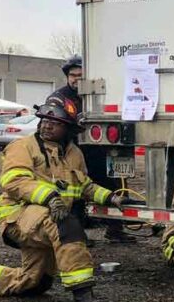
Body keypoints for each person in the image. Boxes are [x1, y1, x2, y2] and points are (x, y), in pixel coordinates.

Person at [0, 101, 127, 302]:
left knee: (35, 283)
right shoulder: (23, 147)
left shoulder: (74, 153)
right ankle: (84, 296)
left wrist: (111, 198)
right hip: (18, 215)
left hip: (44, 219)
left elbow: (84, 185)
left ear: (67, 128)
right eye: (45, 120)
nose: (47, 125)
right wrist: (50, 197)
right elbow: (14, 180)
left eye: (54, 122)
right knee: (66, 225)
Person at [45, 55, 136, 244]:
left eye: (81, 75)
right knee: (76, 191)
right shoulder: (59, 98)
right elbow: (56, 124)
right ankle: (78, 234)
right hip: (74, 151)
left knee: (115, 185)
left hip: (101, 150)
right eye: (73, 75)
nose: (77, 79)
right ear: (67, 77)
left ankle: (115, 230)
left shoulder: (101, 95)